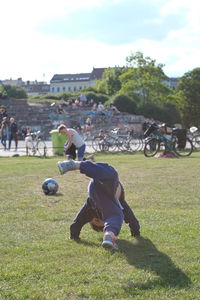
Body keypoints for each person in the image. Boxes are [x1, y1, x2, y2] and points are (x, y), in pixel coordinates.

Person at [57, 160, 140, 250]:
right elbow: (131, 218)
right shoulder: (117, 205)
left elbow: (78, 222)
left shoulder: (90, 206)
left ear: (91, 219)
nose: (102, 219)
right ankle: (109, 235)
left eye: (98, 222)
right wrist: (135, 231)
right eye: (105, 224)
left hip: (96, 186)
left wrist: (74, 235)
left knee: (108, 173)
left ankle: (76, 165)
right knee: (116, 214)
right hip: (103, 185)